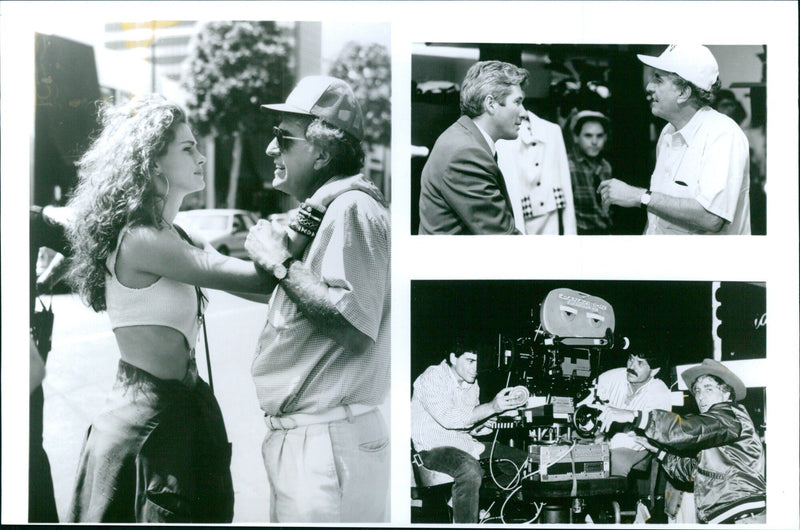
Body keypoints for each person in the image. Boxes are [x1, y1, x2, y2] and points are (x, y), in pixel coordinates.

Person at [64, 95, 281, 523]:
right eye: (188, 148)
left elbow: (263, 293)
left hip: (179, 419)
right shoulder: (141, 239)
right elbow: (258, 278)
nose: (201, 157)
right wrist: (300, 228)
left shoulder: (175, 232)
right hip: (143, 432)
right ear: (153, 163)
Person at [245, 75, 391, 523]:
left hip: (328, 443)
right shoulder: (334, 207)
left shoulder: (352, 209)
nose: (272, 150)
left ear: (322, 152)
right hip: (317, 440)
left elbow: (352, 327)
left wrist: (280, 264)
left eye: (282, 138)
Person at [598, 45, 751, 235]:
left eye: (658, 79)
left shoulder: (723, 134)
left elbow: (712, 217)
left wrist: (639, 197)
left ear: (683, 93)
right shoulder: (668, 133)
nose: (649, 87)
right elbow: (657, 219)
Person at [595, 359, 766, 524]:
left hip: (744, 514)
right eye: (697, 391)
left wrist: (635, 416)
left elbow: (687, 429)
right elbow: (692, 472)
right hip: (728, 514)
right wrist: (658, 451)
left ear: (726, 393)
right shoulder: (715, 430)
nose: (701, 397)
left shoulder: (728, 417)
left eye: (708, 389)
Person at [411, 344, 529, 523]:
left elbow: (469, 425)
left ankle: (469, 502)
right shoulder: (432, 377)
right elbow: (449, 419)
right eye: (470, 361)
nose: (475, 368)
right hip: (431, 449)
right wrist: (491, 407)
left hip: (467, 446)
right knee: (470, 469)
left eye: (479, 362)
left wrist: (489, 421)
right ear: (453, 358)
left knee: (525, 463)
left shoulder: (472, 384)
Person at [418, 60, 528, 235]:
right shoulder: (466, 153)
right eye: (517, 102)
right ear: (491, 104)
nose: (524, 113)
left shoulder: (463, 139)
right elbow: (501, 236)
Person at [29, 204, 73, 522]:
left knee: (29, 452)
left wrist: (43, 283)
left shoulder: (29, 218)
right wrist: (43, 283)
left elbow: (83, 240)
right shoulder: (28, 217)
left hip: (23, 362)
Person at [577, 351, 672, 476]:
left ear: (653, 371)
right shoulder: (612, 376)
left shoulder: (660, 391)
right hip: (595, 435)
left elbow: (654, 432)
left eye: (640, 363)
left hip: (634, 444)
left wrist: (607, 444)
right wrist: (597, 434)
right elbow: (581, 408)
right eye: (631, 359)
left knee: (612, 461)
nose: (631, 367)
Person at [496, 109, 577, 234]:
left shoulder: (552, 130)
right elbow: (510, 183)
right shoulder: (504, 138)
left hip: (552, 210)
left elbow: (564, 177)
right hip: (525, 211)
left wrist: (570, 232)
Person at [567, 111, 614, 235]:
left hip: (604, 230)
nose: (594, 141)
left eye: (599, 136)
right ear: (576, 137)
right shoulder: (568, 165)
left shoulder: (605, 166)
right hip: (580, 231)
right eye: (588, 136)